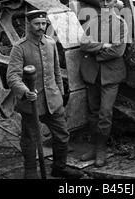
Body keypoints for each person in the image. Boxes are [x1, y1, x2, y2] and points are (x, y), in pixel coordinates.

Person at [6, 9, 83, 179]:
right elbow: (12, 76)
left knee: (62, 136)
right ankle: (31, 171)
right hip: (31, 103)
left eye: (43, 23)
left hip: (53, 101)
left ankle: (59, 169)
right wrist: (26, 92)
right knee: (30, 139)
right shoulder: (20, 48)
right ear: (29, 25)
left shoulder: (50, 43)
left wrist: (61, 96)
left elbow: (56, 71)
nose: (41, 27)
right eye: (37, 24)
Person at [79, 0, 128, 167]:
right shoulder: (93, 22)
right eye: (103, 1)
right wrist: (104, 45)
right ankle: (94, 147)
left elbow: (118, 51)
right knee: (92, 112)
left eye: (109, 1)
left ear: (115, 3)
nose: (106, 4)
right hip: (92, 74)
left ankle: (101, 149)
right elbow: (83, 44)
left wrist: (96, 51)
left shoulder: (121, 24)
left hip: (111, 75)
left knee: (105, 113)